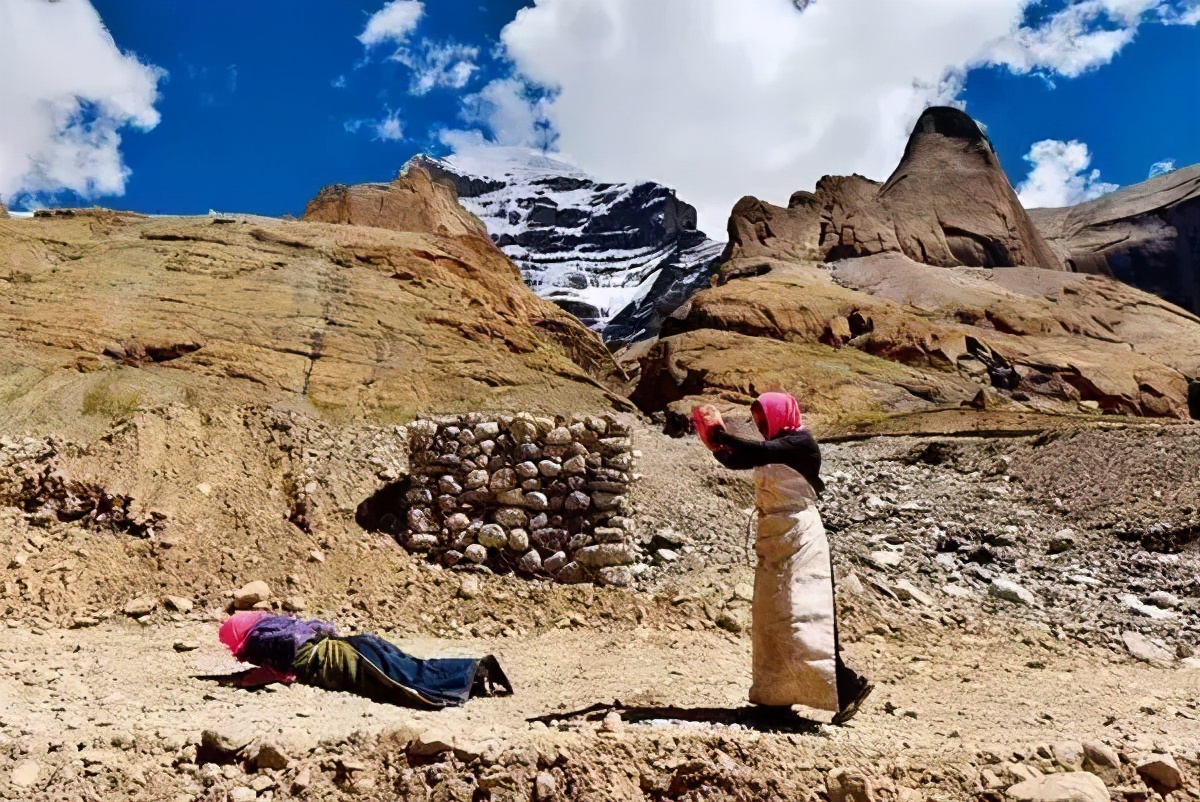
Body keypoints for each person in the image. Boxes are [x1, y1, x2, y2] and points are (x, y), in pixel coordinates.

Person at [693, 393, 873, 724]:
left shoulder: (800, 443)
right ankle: (776, 697)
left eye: (763, 418)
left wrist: (722, 435)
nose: (760, 426)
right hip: (776, 538)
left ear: (779, 414)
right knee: (774, 618)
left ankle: (846, 686)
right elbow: (738, 459)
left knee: (804, 615)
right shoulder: (778, 445)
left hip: (801, 539)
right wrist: (716, 447)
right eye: (757, 420)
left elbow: (758, 452)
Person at [216, 611, 512, 709]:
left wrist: (243, 682)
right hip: (357, 646)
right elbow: (321, 629)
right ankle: (475, 673)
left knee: (407, 686)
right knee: (415, 668)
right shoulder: (279, 627)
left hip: (352, 661)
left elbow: (279, 673)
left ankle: (475, 672)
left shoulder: (264, 640)